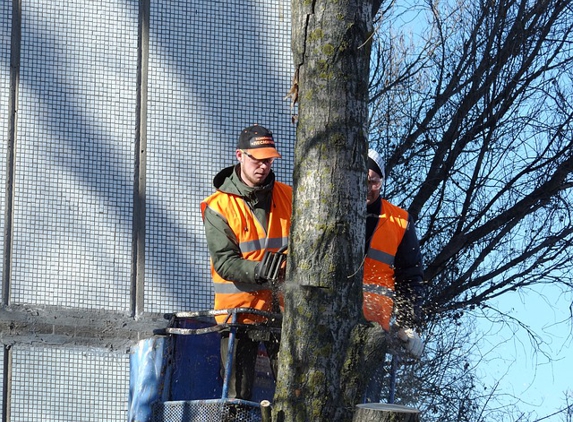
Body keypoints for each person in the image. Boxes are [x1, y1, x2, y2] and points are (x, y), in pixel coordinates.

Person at [200, 124, 292, 401]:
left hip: (283, 313)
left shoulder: (291, 197)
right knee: (237, 399)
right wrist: (259, 271)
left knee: (293, 394)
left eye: (268, 160)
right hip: (239, 314)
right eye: (256, 159)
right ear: (239, 155)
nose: (263, 166)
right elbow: (225, 262)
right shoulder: (218, 206)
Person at [363, 148, 425, 401]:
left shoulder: (399, 220)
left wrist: (409, 325)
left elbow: (410, 277)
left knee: (367, 404)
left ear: (381, 182)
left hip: (373, 331)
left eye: (373, 182)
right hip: (328, 324)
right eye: (362, 180)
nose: (368, 188)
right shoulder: (328, 210)